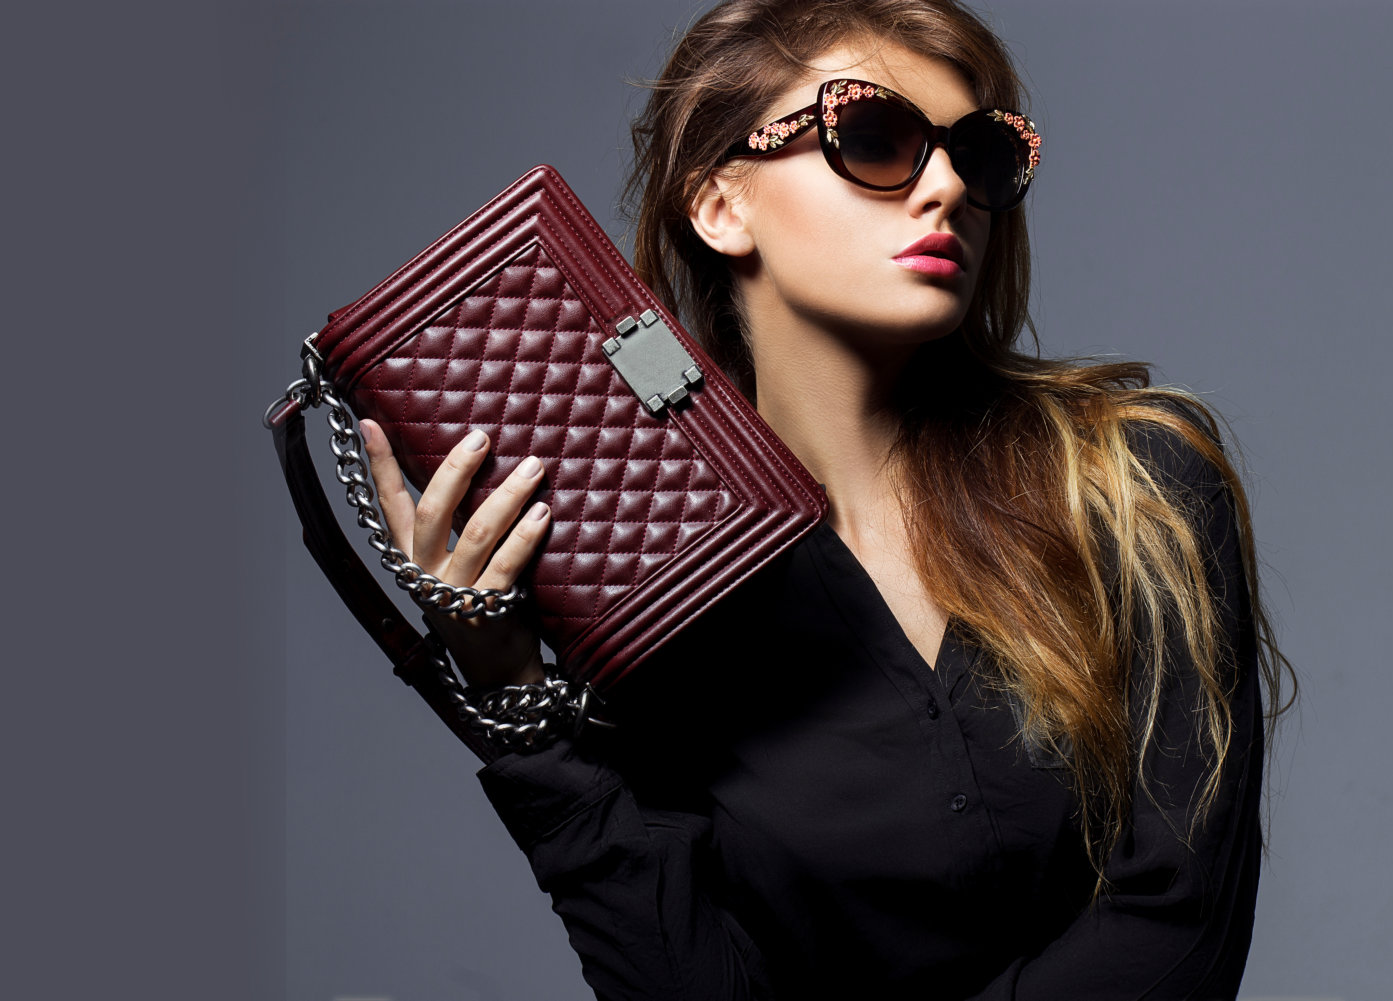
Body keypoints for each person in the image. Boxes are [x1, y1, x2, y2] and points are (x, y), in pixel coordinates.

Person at [355, 1, 1296, 997]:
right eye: (875, 137)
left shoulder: (1137, 486)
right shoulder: (651, 592)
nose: (946, 189)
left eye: (978, 156)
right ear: (720, 205)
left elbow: (1178, 931)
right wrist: (516, 700)